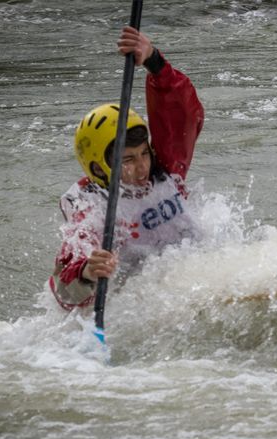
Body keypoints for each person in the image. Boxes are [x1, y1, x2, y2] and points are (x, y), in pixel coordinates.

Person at [49, 26, 204, 310]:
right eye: (128, 160)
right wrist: (87, 271)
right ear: (97, 167)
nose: (142, 167)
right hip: (141, 303)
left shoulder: (165, 171)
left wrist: (154, 61)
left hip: (193, 280)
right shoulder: (91, 206)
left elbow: (183, 117)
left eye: (144, 153)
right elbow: (63, 291)